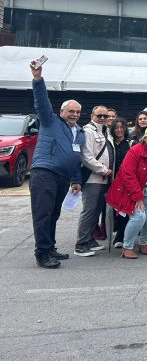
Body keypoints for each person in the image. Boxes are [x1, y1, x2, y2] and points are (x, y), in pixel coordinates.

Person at [28, 61, 86, 268]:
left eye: (78, 112)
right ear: (62, 112)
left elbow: (76, 158)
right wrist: (37, 79)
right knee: (42, 214)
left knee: (54, 213)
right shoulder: (50, 121)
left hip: (63, 177)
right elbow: (41, 102)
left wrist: (76, 179)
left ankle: (50, 246)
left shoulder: (80, 132)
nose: (75, 114)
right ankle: (42, 253)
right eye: (71, 111)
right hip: (45, 173)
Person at [105, 125, 147, 259]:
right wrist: (137, 197)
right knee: (139, 217)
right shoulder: (135, 151)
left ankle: (143, 243)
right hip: (130, 191)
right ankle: (127, 247)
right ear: (144, 138)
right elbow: (128, 174)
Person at [74, 105, 115, 257]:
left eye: (105, 116)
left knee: (96, 211)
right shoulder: (88, 132)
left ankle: (90, 239)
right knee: (89, 211)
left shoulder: (106, 131)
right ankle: (81, 244)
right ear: (92, 116)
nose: (103, 118)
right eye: (99, 116)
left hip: (104, 179)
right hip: (93, 179)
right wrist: (104, 170)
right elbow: (86, 157)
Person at [111, 117, 132, 248]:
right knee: (110, 210)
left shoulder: (129, 144)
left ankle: (120, 237)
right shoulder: (109, 143)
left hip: (124, 181)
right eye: (116, 128)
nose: (119, 130)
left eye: (122, 127)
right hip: (110, 180)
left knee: (122, 210)